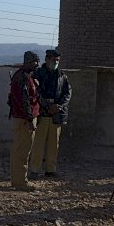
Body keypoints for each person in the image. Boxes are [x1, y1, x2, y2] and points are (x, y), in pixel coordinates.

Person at [29, 49, 72, 178]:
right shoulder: (38, 74)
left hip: (56, 115)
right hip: (42, 114)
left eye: (57, 60)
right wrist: (48, 105)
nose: (56, 62)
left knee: (54, 144)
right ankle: (34, 170)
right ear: (47, 59)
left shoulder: (62, 75)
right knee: (38, 144)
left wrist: (59, 106)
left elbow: (67, 93)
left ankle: (50, 169)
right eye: (53, 59)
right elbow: (35, 93)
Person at [8, 50, 41, 191]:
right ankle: (21, 182)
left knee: (20, 149)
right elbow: (24, 100)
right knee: (22, 150)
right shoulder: (22, 77)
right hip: (24, 119)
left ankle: (18, 179)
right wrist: (29, 118)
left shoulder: (27, 76)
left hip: (24, 118)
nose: (37, 65)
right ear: (28, 62)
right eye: (35, 62)